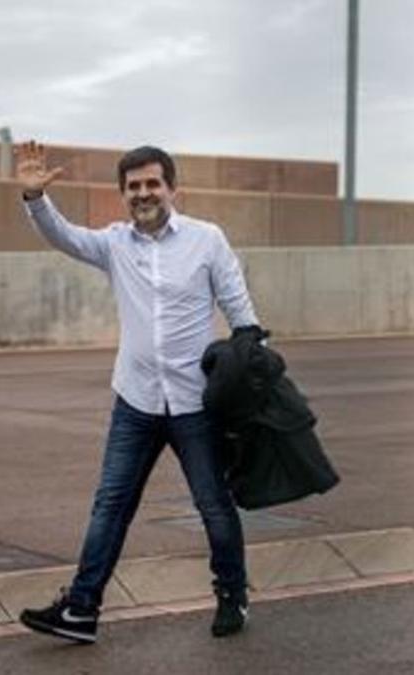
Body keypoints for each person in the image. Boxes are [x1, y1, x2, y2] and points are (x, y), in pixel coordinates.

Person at [14, 140, 258, 643]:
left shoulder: (206, 239)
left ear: (172, 189)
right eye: (133, 186)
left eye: (152, 183)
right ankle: (81, 610)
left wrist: (249, 351)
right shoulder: (114, 244)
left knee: (213, 506)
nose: (143, 193)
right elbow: (64, 237)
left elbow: (238, 305)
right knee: (110, 505)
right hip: (136, 401)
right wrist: (36, 199)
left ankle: (232, 596)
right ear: (123, 194)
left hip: (195, 404)